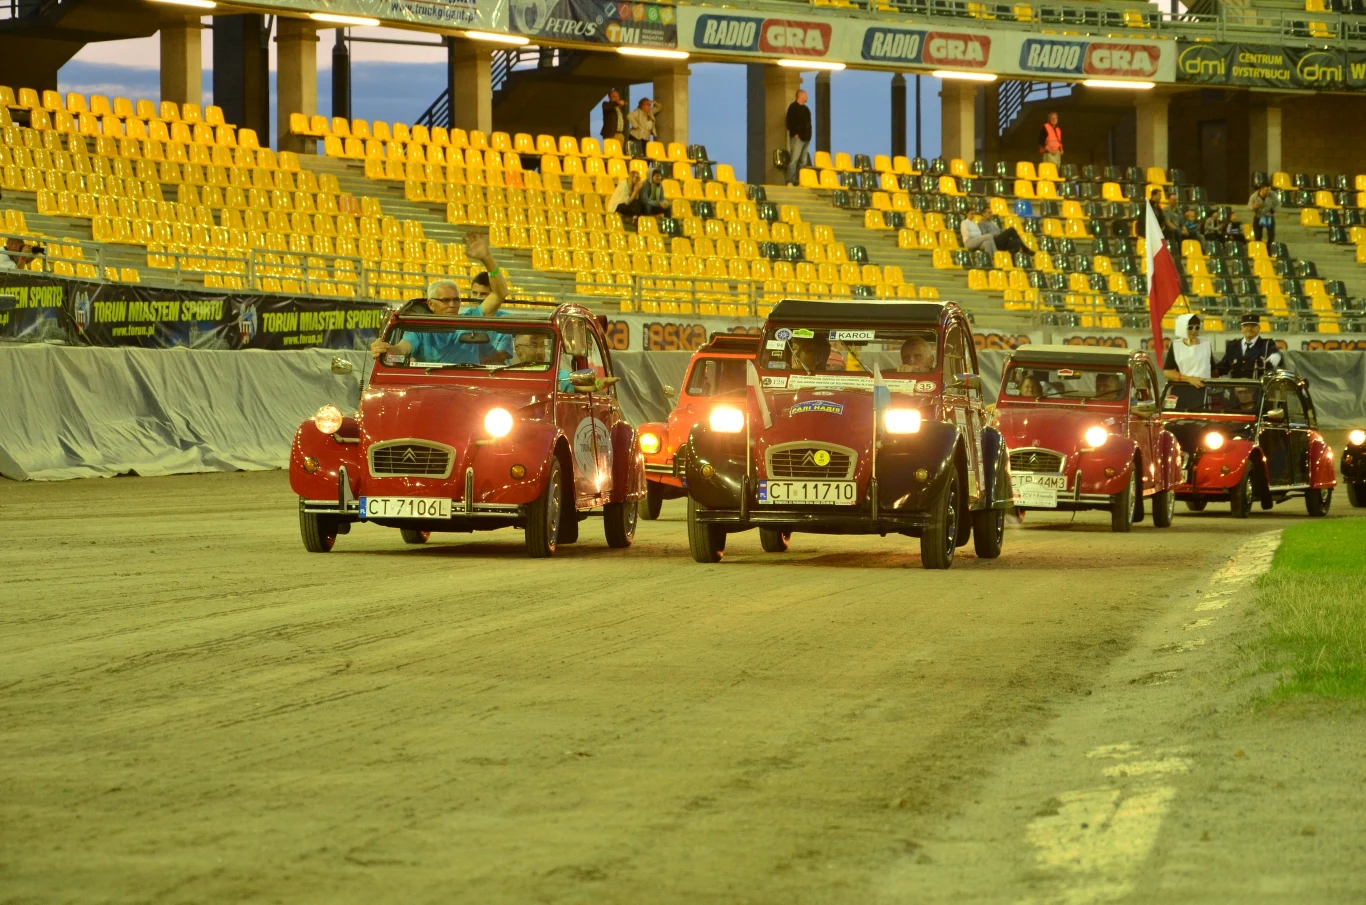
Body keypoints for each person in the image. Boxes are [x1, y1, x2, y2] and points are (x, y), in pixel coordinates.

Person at [369, 232, 510, 361]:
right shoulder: (420, 331)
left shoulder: (471, 319)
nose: (452, 304)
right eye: (446, 300)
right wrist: (385, 349)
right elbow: (402, 349)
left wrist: (487, 259)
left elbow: (500, 293)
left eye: (456, 300)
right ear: (431, 304)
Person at [1163, 313, 1216, 399]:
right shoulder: (1176, 345)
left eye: (1197, 327)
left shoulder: (1206, 343)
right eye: (1190, 327)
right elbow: (1167, 372)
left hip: (1204, 390)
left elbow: (1213, 370)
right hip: (1182, 390)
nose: (1194, 330)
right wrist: (1189, 379)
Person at [1217, 313, 1282, 377]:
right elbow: (1223, 367)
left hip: (1257, 386)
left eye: (1253, 326)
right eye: (1246, 326)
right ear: (1241, 328)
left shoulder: (1267, 344)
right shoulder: (1233, 346)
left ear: (1259, 328)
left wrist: (1276, 354)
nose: (1249, 328)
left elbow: (1274, 352)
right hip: (1236, 386)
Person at [785, 89, 812, 186]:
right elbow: (789, 122)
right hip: (798, 138)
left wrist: (809, 136)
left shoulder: (806, 110)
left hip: (806, 138)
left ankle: (800, 180)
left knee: (803, 161)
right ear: (800, 96)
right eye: (805, 95)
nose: (807, 97)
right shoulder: (793, 107)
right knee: (794, 160)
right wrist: (795, 133)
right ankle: (790, 180)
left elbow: (809, 124)